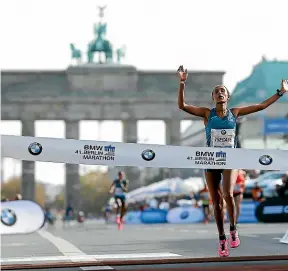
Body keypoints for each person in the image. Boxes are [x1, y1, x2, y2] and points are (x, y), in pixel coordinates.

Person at [177, 65, 287, 257]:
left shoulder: (234, 113)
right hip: (211, 160)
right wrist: (182, 83)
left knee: (228, 193)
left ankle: (233, 229)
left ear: (228, 97)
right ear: (213, 98)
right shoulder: (206, 114)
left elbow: (261, 106)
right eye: (217, 92)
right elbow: (182, 106)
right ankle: (221, 238)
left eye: (223, 91)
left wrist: (281, 92)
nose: (220, 93)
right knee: (216, 201)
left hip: (231, 159)